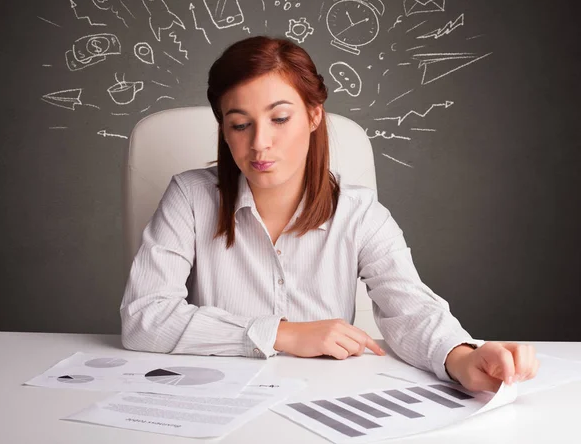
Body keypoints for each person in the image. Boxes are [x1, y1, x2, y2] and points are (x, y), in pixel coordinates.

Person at [120, 36, 539, 393]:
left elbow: (410, 310)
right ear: (224, 130)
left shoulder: (359, 212)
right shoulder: (189, 197)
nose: (260, 144)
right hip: (216, 396)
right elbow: (144, 318)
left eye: (280, 118)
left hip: (325, 402)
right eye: (239, 125)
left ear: (313, 116)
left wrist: (462, 357)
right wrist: (283, 334)